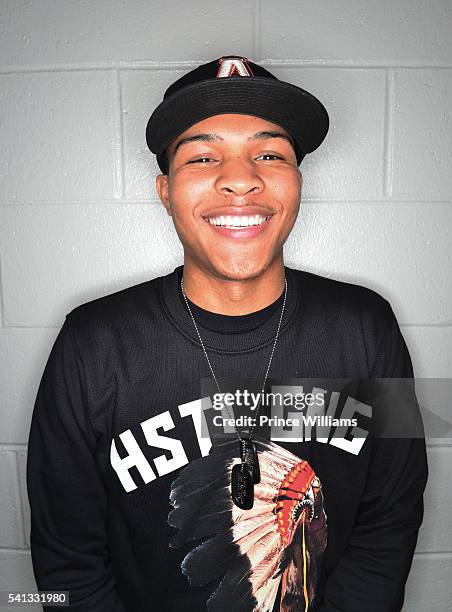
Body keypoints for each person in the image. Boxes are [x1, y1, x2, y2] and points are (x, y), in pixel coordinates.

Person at [27, 56, 428, 611]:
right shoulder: (91, 343)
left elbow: (392, 518)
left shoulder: (369, 325)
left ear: (297, 183)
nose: (241, 178)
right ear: (165, 191)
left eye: (269, 153)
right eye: (203, 156)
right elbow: (66, 558)